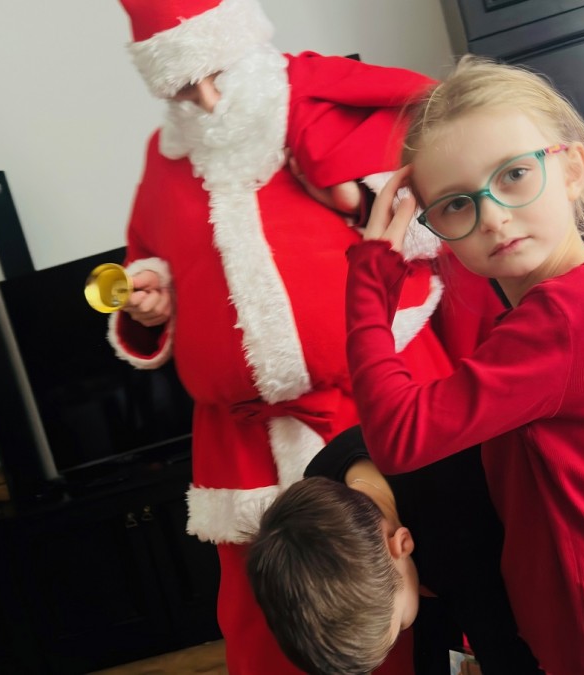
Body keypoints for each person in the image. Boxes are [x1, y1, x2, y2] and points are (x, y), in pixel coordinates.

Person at [108, 0, 491, 672]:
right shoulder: (165, 158)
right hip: (246, 442)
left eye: (216, 72)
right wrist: (150, 302)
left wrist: (357, 198)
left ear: (243, 44)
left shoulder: (318, 102)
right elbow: (150, 262)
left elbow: (440, 200)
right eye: (184, 87)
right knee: (272, 620)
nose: (206, 99)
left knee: (433, 574)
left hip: (378, 396)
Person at [345, 58, 584, 675]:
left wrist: (371, 277)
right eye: (456, 204)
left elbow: (396, 436)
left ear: (572, 169)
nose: (494, 216)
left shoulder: (567, 319)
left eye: (515, 175)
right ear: (434, 226)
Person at [247, 426, 540, 675]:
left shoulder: (458, 534)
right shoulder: (320, 482)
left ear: (403, 543)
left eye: (398, 626)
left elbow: (504, 648)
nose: (400, 632)